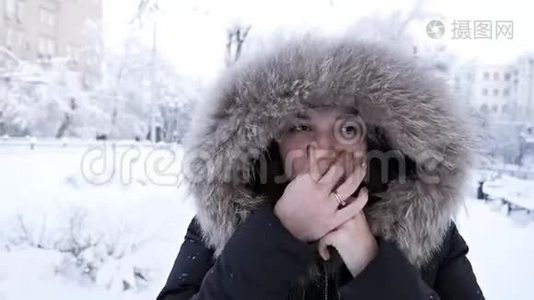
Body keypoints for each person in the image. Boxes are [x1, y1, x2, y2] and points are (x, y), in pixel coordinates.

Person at [157, 36, 485, 299]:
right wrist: (279, 234)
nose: (325, 148)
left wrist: (371, 262)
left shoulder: (431, 233)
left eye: (348, 129)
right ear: (273, 142)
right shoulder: (220, 226)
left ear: (372, 143)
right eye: (300, 127)